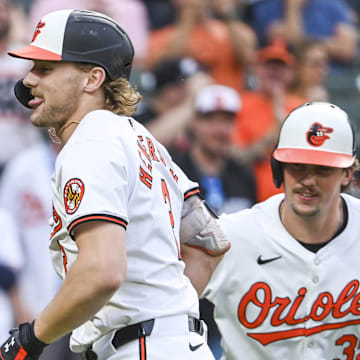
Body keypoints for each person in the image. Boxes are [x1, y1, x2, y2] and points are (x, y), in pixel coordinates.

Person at [0, 9, 229, 360]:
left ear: (92, 79)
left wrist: (31, 338)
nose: (29, 80)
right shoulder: (143, 139)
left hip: (140, 347)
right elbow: (210, 242)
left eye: (45, 69)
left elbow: (102, 270)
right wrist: (167, 313)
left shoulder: (90, 139)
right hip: (179, 345)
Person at [201, 102, 360, 359]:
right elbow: (165, 300)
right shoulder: (231, 236)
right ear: (279, 168)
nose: (307, 180)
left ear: (347, 174)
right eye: (296, 165)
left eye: (322, 169)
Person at [231, 41, 306, 202]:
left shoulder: (301, 106)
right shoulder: (240, 104)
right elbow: (236, 157)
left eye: (280, 67)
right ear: (257, 69)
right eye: (268, 66)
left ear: (290, 73)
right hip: (251, 197)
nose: (274, 72)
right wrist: (273, 134)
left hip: (294, 197)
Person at [146, 0, 257, 93]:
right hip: (185, 111)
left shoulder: (232, 31)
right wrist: (188, 18)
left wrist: (225, 13)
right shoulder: (162, 37)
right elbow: (162, 66)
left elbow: (247, 57)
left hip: (229, 106)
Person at [250, 0, 358, 64]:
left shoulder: (333, 5)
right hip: (288, 73)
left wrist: (305, 41)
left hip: (332, 76)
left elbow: (347, 50)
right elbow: (292, 44)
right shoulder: (266, 8)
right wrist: (293, 9)